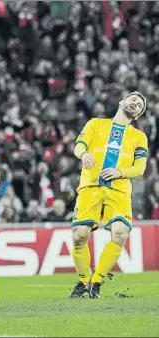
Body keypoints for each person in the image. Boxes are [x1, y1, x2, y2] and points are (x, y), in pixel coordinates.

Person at [70, 91, 148, 298]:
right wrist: (84, 154)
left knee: (121, 233)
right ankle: (83, 281)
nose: (135, 104)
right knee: (80, 235)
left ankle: (96, 281)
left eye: (140, 105)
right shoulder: (96, 124)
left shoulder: (139, 137)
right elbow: (79, 146)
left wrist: (119, 172)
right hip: (91, 186)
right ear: (122, 101)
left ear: (138, 115)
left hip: (119, 190)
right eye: (133, 99)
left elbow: (140, 168)